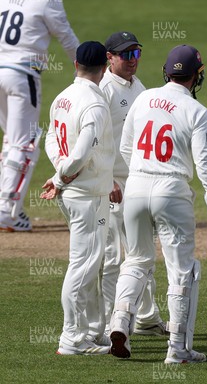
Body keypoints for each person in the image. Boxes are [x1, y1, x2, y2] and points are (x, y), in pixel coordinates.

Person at [109, 44, 207, 364]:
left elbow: (125, 147)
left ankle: (120, 322)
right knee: (183, 271)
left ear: (167, 71)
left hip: (135, 187)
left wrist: (137, 177)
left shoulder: (144, 97)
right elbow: (205, 165)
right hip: (171, 190)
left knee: (136, 261)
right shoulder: (196, 111)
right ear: (196, 77)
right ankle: (178, 348)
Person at [41, 41, 113, 355]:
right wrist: (60, 176)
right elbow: (82, 152)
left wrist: (59, 170)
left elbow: (49, 138)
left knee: (91, 263)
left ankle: (93, 333)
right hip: (86, 194)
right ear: (106, 67)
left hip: (78, 191)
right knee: (83, 264)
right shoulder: (94, 104)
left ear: (76, 66)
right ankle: (71, 338)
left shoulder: (63, 97)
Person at [99, 31, 166, 337]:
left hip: (138, 181)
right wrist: (108, 178)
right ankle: (108, 324)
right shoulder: (104, 90)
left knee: (141, 253)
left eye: (136, 54)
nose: (131, 61)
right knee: (114, 257)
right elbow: (95, 140)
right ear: (109, 57)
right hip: (113, 185)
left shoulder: (137, 86)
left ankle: (147, 317)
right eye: (125, 55)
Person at [0, 0, 79, 231]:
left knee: (12, 140)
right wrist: (89, 69)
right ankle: (5, 210)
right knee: (24, 143)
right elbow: (66, 38)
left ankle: (13, 208)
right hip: (21, 75)